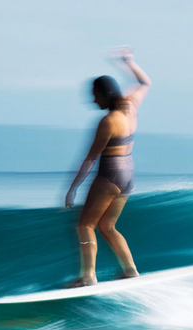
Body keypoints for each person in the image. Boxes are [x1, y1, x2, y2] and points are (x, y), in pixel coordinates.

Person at [64, 47, 152, 288]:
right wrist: (128, 63)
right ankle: (131, 270)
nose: (93, 100)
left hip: (110, 174)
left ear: (106, 94)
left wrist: (72, 189)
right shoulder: (131, 106)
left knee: (85, 225)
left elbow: (91, 158)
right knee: (107, 225)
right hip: (129, 173)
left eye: (95, 95)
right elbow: (145, 82)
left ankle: (88, 276)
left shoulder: (108, 121)